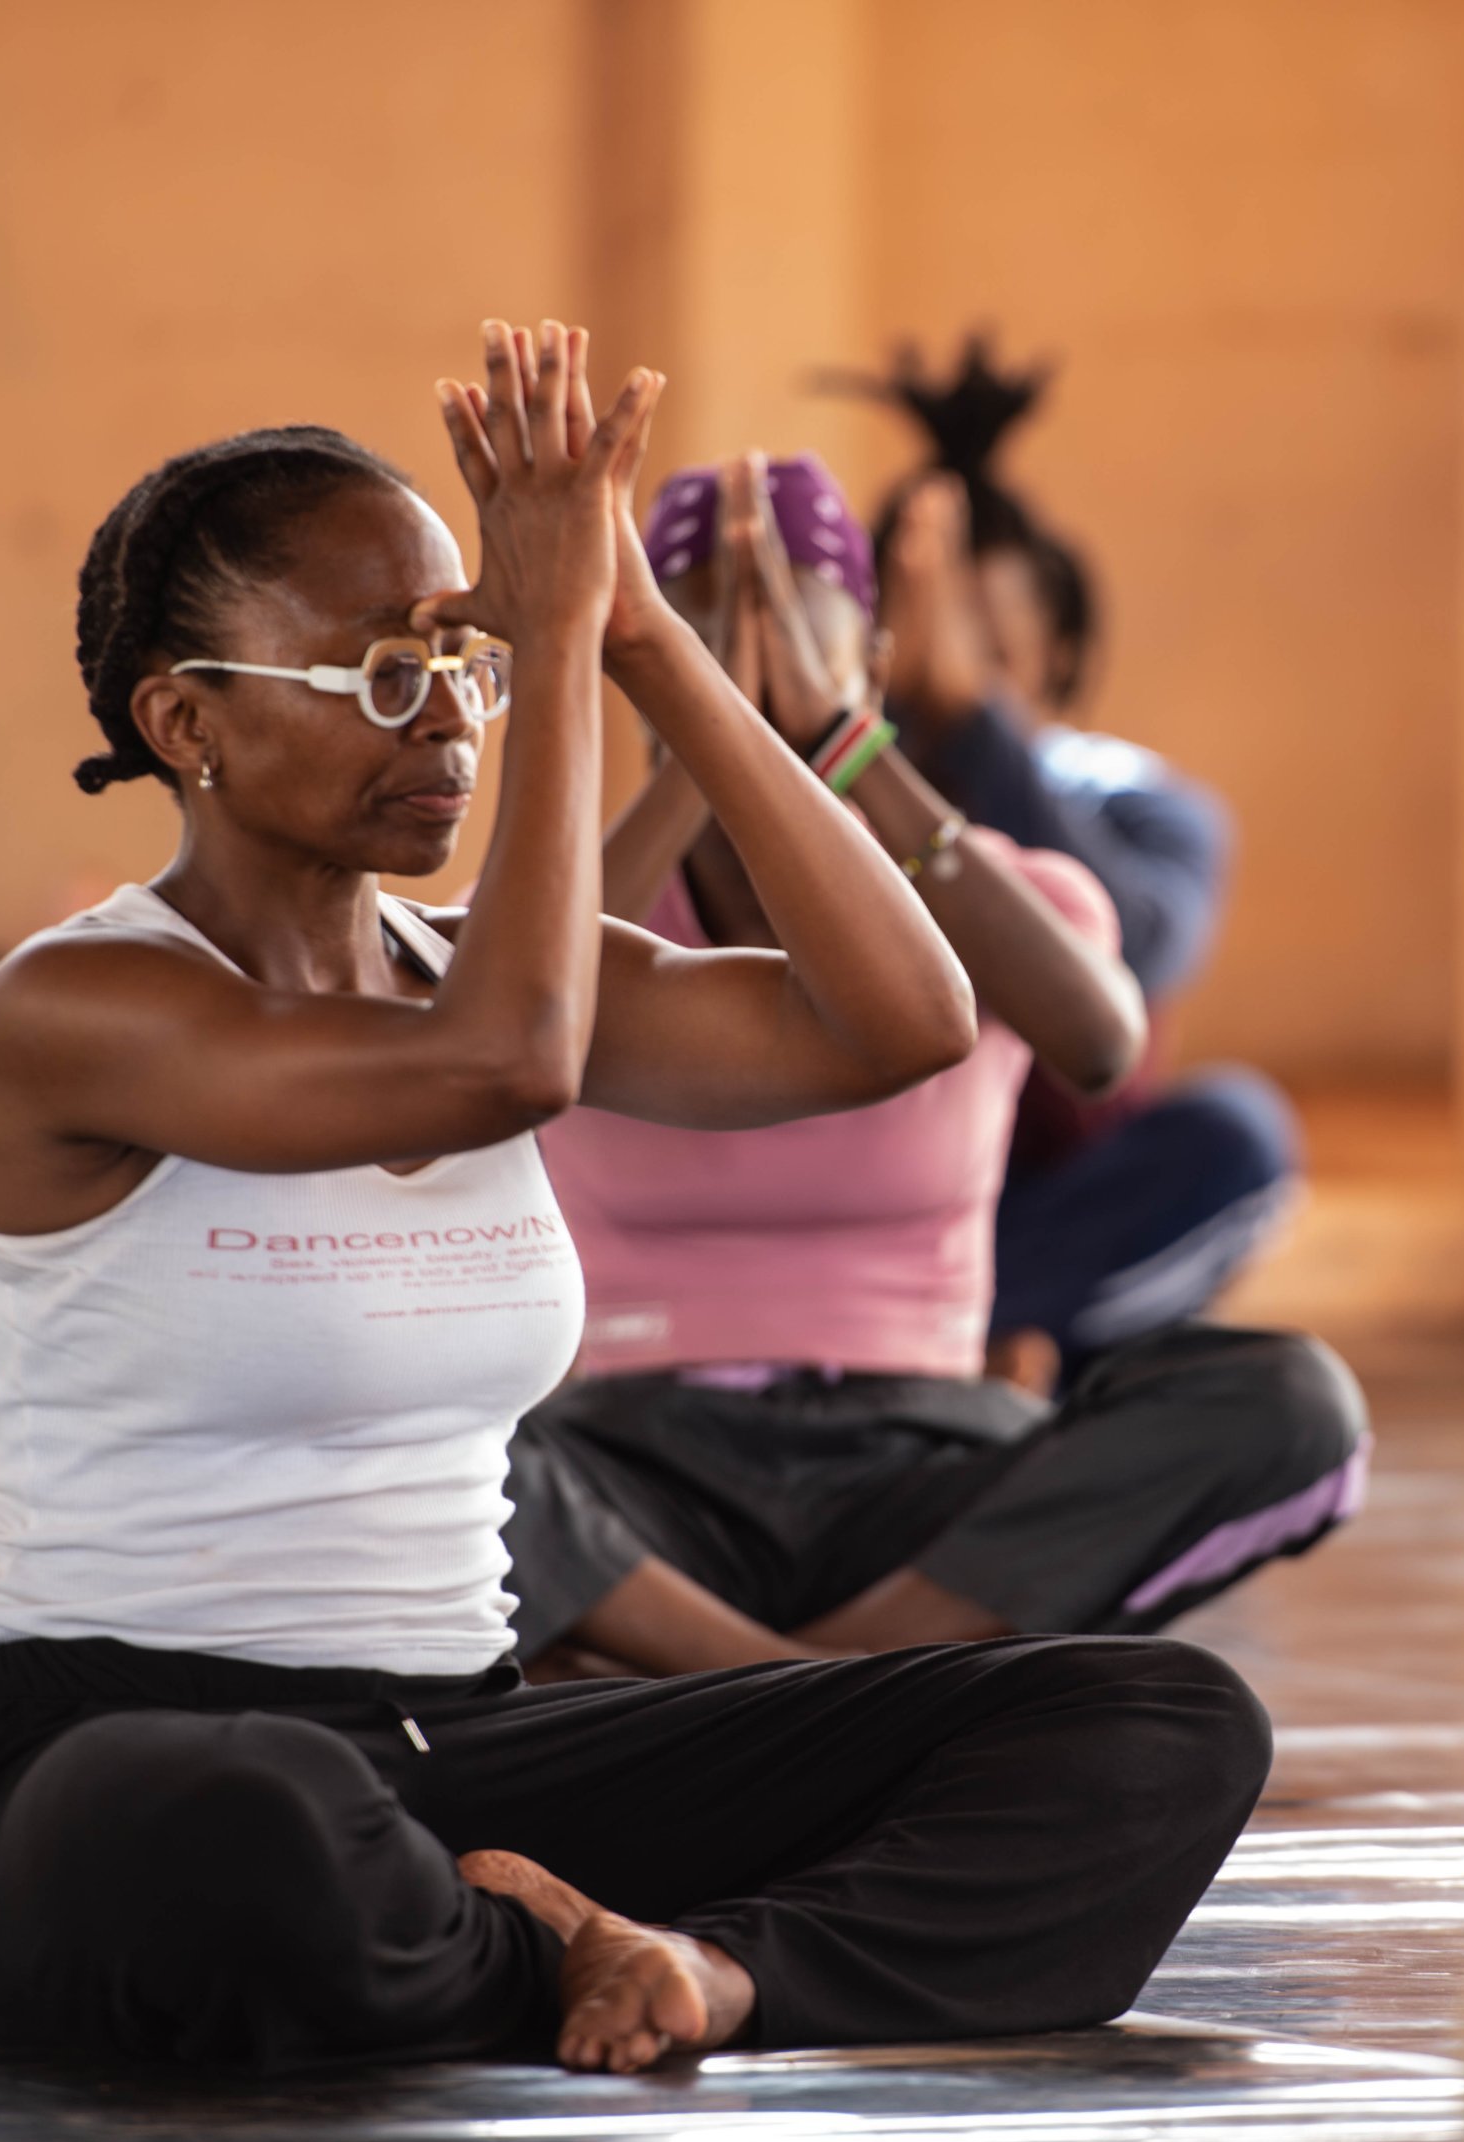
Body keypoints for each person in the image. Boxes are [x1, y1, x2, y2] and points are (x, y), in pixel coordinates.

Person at [0, 322, 1272, 2079]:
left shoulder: (481, 969)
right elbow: (508, 1062)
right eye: (386, 681)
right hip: (105, 1751)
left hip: (458, 1749)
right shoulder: (83, 1009)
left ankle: (711, 1977)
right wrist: (551, 654)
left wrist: (643, 641)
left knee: (1154, 1719)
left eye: (458, 663)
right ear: (187, 722)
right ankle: (554, 1948)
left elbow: (906, 1021)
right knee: (245, 1816)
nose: (451, 719)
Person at [503, 447, 1369, 1680]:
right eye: (688, 652)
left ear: (868, 661)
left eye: (796, 641)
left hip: (922, 1469)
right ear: (634, 668)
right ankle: (865, 1696)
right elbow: (515, 1020)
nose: (737, 675)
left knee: (1291, 1407)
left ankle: (763, 1688)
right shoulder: (547, 917)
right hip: (630, 1471)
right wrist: (710, 742)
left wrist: (842, 745)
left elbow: (1098, 1042)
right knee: (403, 1441)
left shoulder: (981, 890)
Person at [852, 336, 1302, 1387]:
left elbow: (1136, 949)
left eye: (988, 649)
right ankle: (921, 1324)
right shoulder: (811, 792)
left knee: (1238, 1137)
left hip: (1040, 1211)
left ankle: (948, 1322)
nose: (948, 673)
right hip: (859, 1191)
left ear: (1054, 652)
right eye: (921, 642)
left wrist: (974, 724)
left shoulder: (1140, 803)